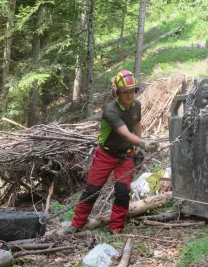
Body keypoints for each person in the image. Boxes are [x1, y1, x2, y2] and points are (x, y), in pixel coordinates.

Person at [63, 70, 159, 235]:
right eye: (125, 92)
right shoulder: (110, 110)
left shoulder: (137, 105)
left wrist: (137, 147)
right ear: (117, 93)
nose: (129, 96)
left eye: (132, 91)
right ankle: (77, 224)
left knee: (122, 192)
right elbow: (124, 132)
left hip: (126, 155)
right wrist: (143, 144)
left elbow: (136, 125)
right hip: (106, 155)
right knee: (91, 191)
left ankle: (116, 228)